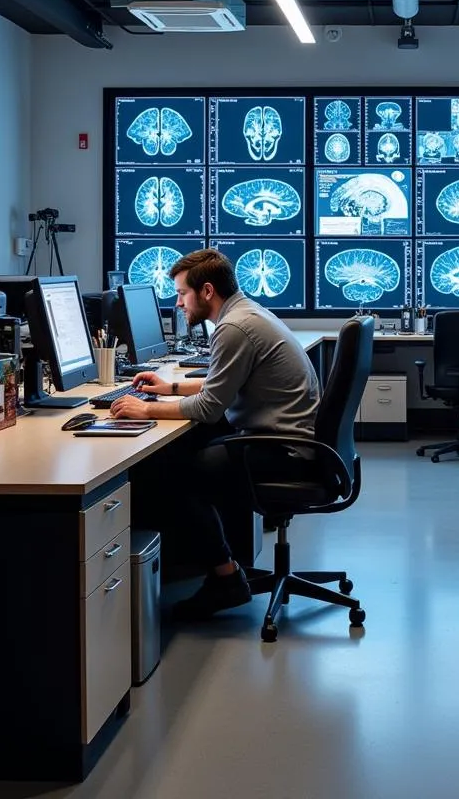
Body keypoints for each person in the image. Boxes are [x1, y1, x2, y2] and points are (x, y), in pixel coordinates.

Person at [111, 248, 320, 618]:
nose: (177, 303)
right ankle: (213, 564)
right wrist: (168, 389)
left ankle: (225, 578)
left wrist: (144, 408)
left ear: (207, 291)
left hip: (283, 451)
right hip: (290, 440)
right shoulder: (245, 314)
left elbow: (210, 408)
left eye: (181, 294)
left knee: (177, 473)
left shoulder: (234, 327)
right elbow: (223, 385)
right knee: (184, 452)